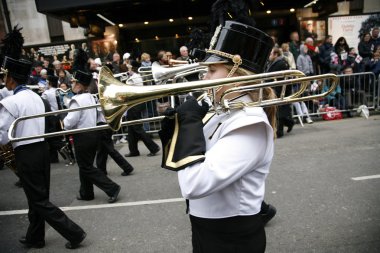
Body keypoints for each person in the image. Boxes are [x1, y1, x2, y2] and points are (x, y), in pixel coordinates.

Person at [159, 19, 276, 252]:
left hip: (231, 238)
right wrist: (178, 126)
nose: (205, 78)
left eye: (212, 71)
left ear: (237, 73)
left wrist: (190, 124)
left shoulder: (249, 122)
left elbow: (194, 183)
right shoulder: (223, 110)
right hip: (208, 229)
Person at [0, 56, 86, 249]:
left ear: (11, 78)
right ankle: (35, 236)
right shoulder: (36, 97)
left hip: (26, 151)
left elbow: (3, 136)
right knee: (37, 197)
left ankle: (74, 232)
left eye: (5, 76)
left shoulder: (12, 102)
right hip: (41, 148)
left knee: (38, 199)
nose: (3, 80)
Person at [63, 70, 121, 203]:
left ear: (78, 84)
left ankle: (112, 188)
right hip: (92, 133)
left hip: (82, 135)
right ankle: (86, 192)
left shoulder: (76, 100)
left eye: (73, 82)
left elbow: (70, 122)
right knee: (85, 165)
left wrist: (63, 122)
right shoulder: (90, 96)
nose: (71, 84)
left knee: (85, 167)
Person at [124, 61, 161, 157]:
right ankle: (133, 150)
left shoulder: (135, 77)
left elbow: (129, 88)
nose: (128, 69)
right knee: (131, 127)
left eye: (129, 67)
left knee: (136, 127)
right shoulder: (135, 76)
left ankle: (153, 147)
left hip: (135, 104)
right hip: (134, 104)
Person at [266, 47, 293, 138]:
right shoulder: (273, 63)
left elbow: (277, 77)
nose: (269, 56)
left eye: (271, 54)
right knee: (279, 110)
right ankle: (289, 122)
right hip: (276, 89)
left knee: (279, 111)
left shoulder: (280, 63)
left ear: (276, 55)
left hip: (280, 89)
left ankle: (280, 130)